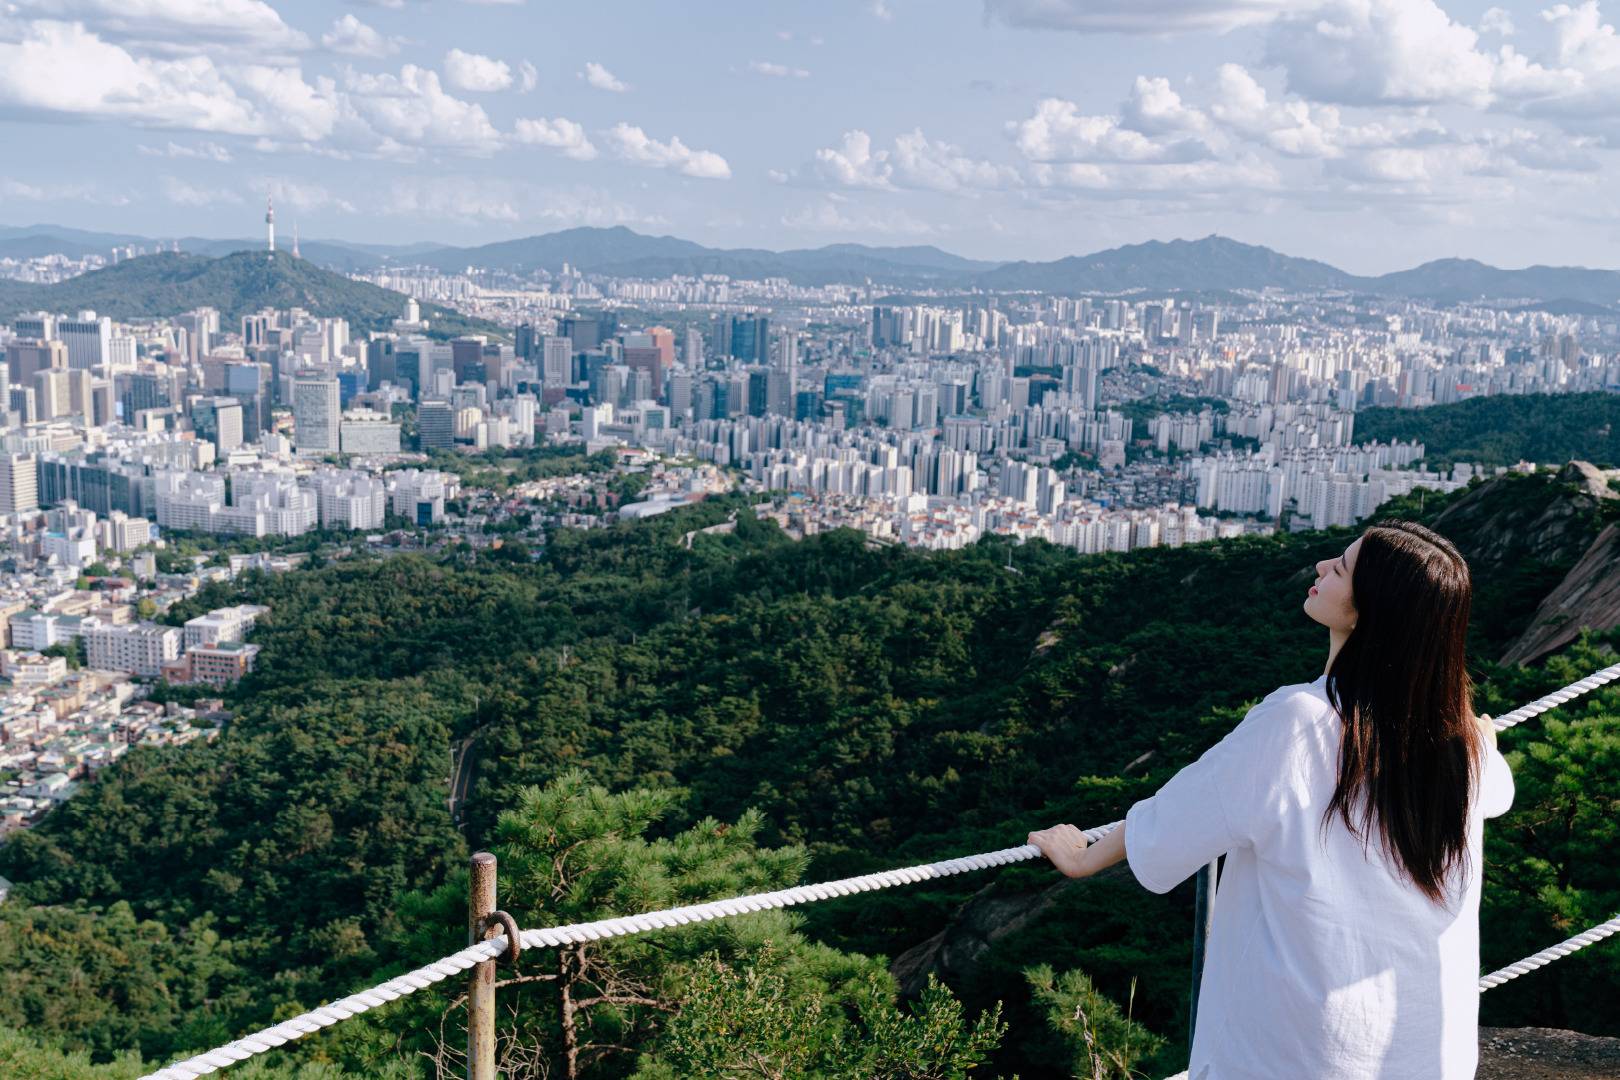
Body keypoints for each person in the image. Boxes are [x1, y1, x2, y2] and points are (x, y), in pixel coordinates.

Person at [1028, 520, 1515, 1079]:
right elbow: (1496, 787)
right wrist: (1484, 737)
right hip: (1429, 1056)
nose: (1321, 567)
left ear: (1371, 608)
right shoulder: (1459, 744)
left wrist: (1084, 856)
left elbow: (1180, 816)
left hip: (1303, 1053)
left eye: (1343, 567)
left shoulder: (1299, 724)